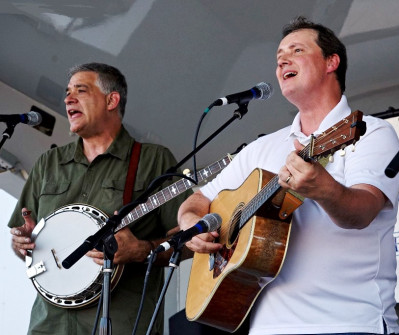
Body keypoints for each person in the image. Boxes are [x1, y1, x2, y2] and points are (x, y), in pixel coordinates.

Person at [178, 16, 399, 335]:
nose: (282, 60)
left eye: (296, 50)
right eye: (279, 55)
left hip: (349, 321)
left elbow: (361, 212)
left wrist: (323, 188)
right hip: (267, 327)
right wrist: (191, 224)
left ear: (331, 62)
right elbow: (199, 199)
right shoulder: (260, 147)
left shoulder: (368, 133)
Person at [9, 62, 190, 335]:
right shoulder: (49, 162)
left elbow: (190, 239)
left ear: (111, 100)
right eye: (67, 92)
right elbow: (23, 244)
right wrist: (21, 242)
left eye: (80, 91)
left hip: (121, 324)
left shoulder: (153, 160)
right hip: (49, 324)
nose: (68, 98)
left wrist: (143, 250)